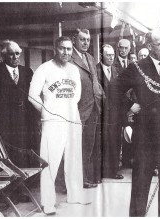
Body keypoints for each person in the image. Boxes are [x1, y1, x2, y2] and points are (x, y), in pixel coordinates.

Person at [110, 28, 160, 216]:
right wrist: (130, 105)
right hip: (146, 136)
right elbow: (113, 88)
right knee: (141, 182)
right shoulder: (138, 67)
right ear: (150, 47)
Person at [29, 36, 92, 215]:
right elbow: (32, 95)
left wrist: (68, 109)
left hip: (72, 118)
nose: (66, 52)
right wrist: (46, 111)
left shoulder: (73, 69)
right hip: (52, 122)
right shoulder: (44, 68)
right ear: (55, 49)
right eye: (62, 48)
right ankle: (48, 202)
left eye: (69, 49)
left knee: (74, 160)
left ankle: (75, 195)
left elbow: (77, 95)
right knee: (50, 162)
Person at [0, 40, 40, 203]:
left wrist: (37, 118)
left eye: (18, 53)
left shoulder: (27, 71)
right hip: (6, 122)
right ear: (3, 55)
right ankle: (11, 193)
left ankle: (24, 187)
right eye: (11, 53)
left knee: (25, 153)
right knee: (9, 155)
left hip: (25, 121)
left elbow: (33, 95)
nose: (15, 57)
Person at [71, 28, 104, 188]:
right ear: (74, 40)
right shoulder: (69, 59)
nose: (85, 43)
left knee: (88, 147)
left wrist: (101, 100)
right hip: (78, 110)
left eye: (88, 40)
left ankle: (85, 178)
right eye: (82, 39)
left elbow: (95, 81)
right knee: (75, 148)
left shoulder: (90, 57)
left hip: (93, 109)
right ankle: (74, 180)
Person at [96, 44, 124, 179]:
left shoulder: (117, 70)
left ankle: (113, 171)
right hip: (100, 113)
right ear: (102, 55)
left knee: (115, 142)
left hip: (115, 114)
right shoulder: (95, 70)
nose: (111, 57)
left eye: (113, 55)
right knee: (101, 143)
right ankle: (100, 172)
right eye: (108, 55)